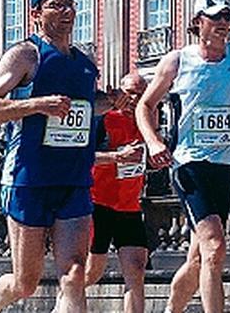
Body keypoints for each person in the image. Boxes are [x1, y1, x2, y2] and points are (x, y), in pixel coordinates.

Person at [136, 0, 230, 313]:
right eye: (216, 17)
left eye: (227, 17)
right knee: (215, 247)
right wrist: (154, 142)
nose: (224, 23)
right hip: (188, 163)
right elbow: (145, 105)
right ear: (198, 23)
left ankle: (171, 311)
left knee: (198, 258)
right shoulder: (178, 60)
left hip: (225, 165)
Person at [0, 0, 100, 313]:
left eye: (71, 5)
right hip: (28, 178)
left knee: (74, 273)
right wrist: (38, 104)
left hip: (74, 178)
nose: (67, 12)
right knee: (25, 283)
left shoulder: (84, 63)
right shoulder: (26, 55)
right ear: (35, 14)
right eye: (57, 6)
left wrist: (116, 100)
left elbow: (85, 106)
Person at [84, 73, 149, 313]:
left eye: (141, 93)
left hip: (130, 205)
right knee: (92, 271)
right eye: (131, 92)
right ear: (120, 91)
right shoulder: (104, 118)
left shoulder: (146, 121)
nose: (135, 98)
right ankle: (64, 301)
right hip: (98, 202)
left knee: (136, 271)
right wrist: (117, 157)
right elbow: (83, 157)